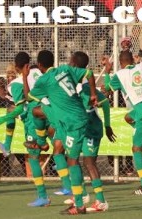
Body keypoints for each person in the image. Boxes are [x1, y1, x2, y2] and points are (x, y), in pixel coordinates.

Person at [23, 50, 98, 215]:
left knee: (72, 161)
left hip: (74, 122)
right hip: (67, 120)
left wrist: (24, 75)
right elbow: (89, 72)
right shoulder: (65, 69)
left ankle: (79, 204)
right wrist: (93, 93)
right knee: (37, 111)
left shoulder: (44, 80)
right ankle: (42, 143)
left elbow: (28, 97)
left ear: (40, 66)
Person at [102, 49, 142, 196]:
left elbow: (107, 88)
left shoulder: (120, 75)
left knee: (136, 149)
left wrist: (107, 72)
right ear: (132, 59)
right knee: (128, 118)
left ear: (120, 62)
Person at [0, 52, 49, 207]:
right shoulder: (38, 72)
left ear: (17, 67)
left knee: (33, 158)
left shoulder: (16, 84)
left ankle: (43, 196)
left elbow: (19, 109)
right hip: (51, 113)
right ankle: (71, 189)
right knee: (62, 150)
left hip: (33, 120)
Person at [68, 51, 115, 213]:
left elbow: (105, 104)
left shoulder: (84, 87)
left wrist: (107, 126)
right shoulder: (80, 85)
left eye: (70, 62)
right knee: (77, 161)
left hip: (90, 129)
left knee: (85, 162)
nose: (68, 64)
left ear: (74, 65)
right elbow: (105, 104)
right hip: (83, 127)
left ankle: (96, 200)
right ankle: (85, 196)